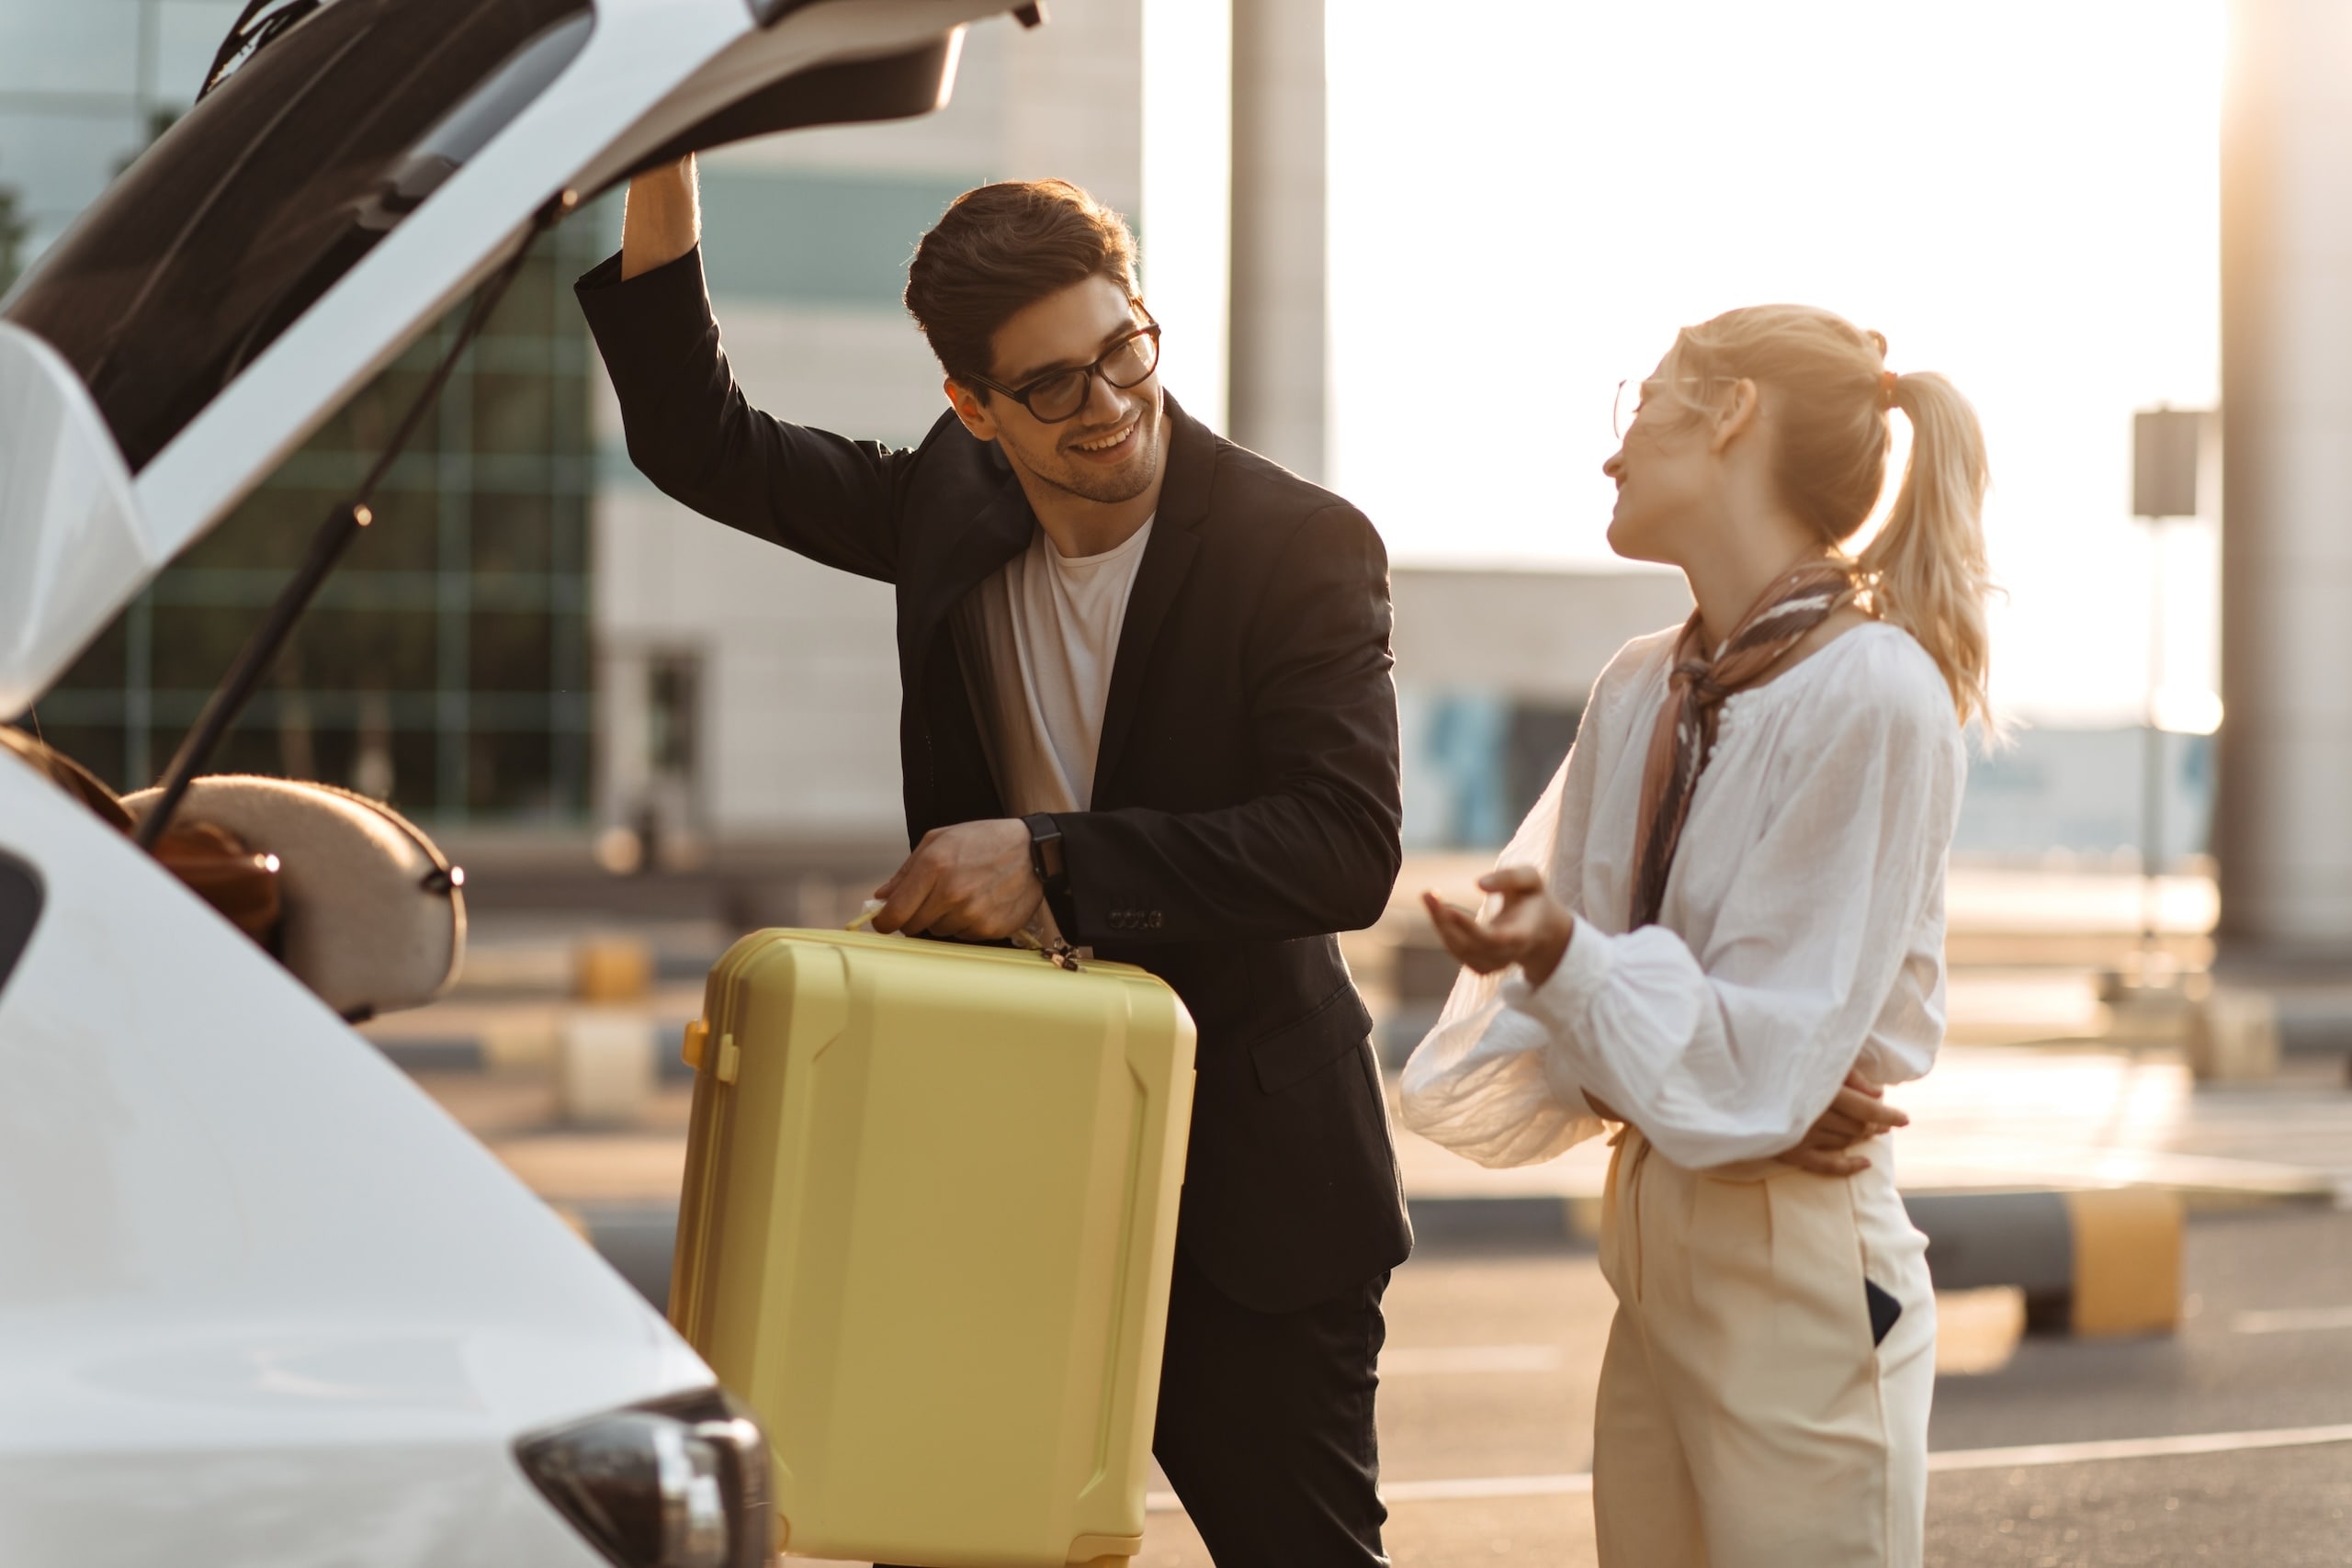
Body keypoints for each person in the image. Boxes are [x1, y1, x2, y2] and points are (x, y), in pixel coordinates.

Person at [577, 163, 1409, 1566]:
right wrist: (667, 166)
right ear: (973, 408)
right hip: (1001, 1170)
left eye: (1123, 351)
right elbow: (700, 441)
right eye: (1053, 389)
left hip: (1253, 1186)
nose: (1110, 405)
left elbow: (1345, 844)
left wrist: (1052, 866)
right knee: (957, 1553)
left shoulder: (1301, 547)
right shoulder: (943, 516)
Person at [1400, 303, 1992, 1567]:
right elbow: (1690, 1055)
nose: (1615, 452)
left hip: (1800, 1257)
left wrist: (1589, 981)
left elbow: (1747, 1062)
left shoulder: (1873, 692)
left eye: (1649, 400)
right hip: (1659, 1235)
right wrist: (1650, 1037)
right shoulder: (1643, 683)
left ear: (1732, 415)